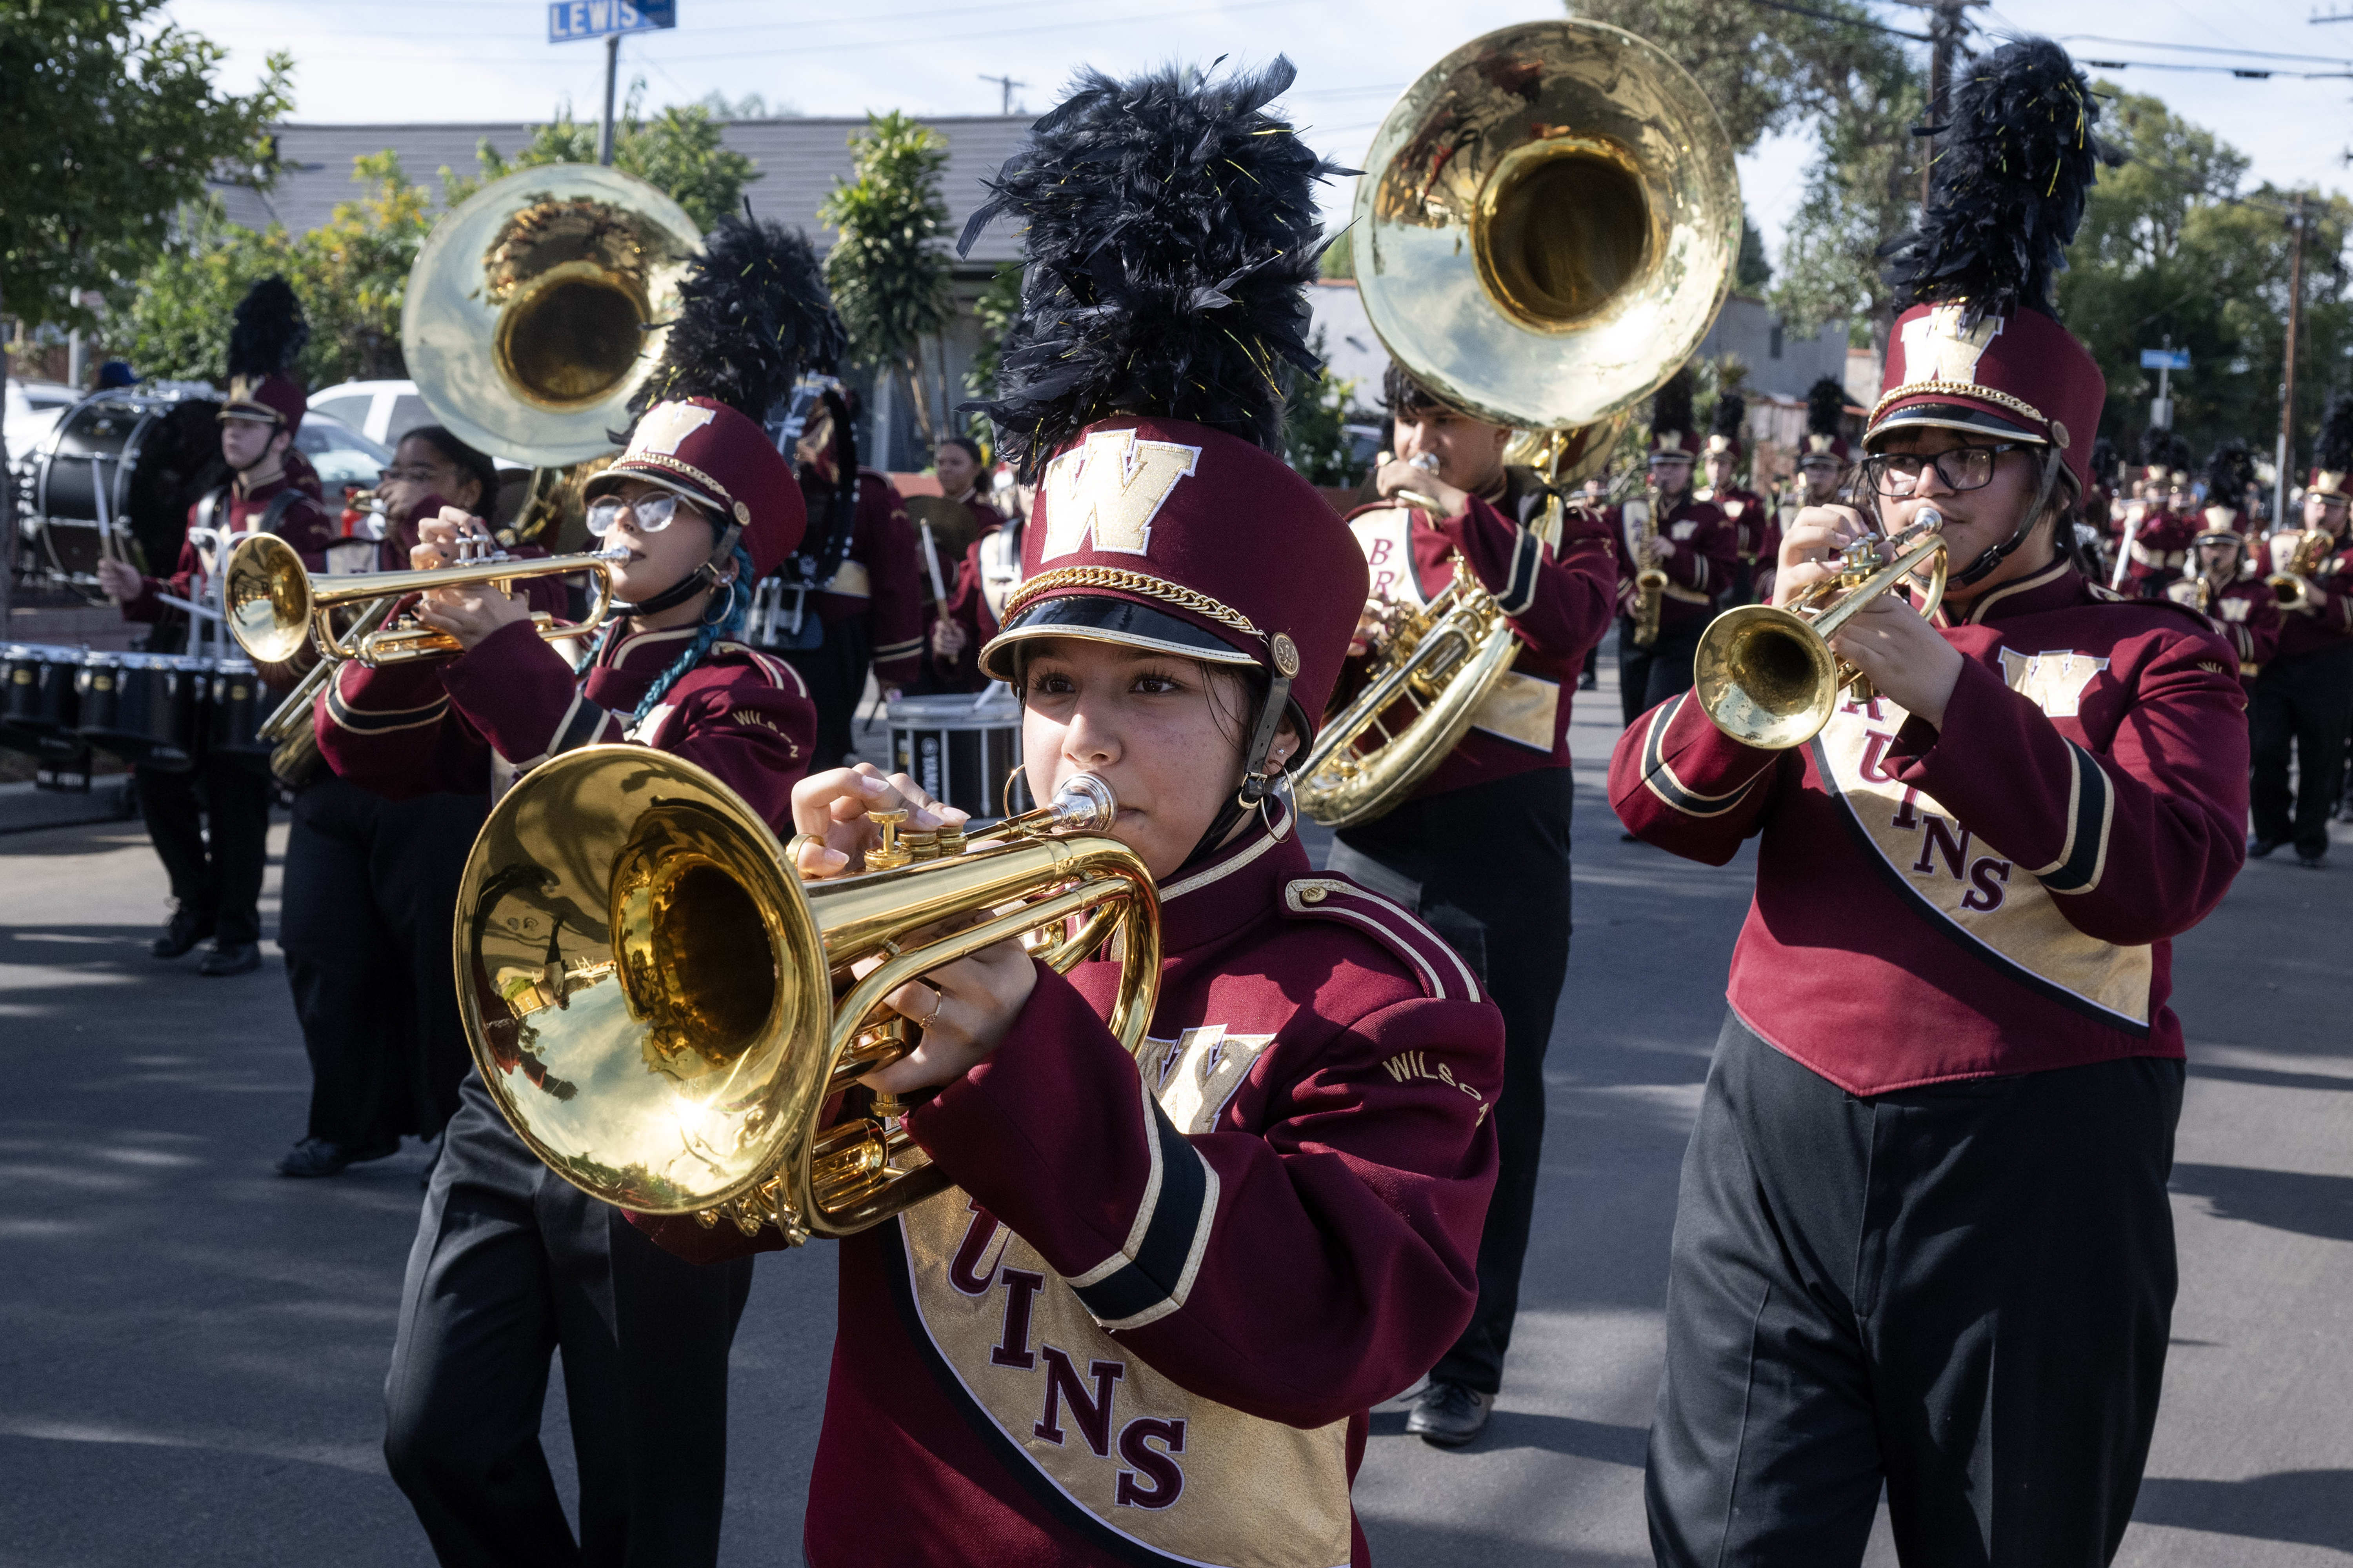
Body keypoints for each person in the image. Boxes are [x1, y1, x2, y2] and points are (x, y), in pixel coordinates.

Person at [636, 59, 1506, 1567]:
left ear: (1274, 725)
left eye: (1155, 691)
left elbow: (1328, 1323)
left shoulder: (1380, 993)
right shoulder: (961, 912)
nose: (1084, 738)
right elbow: (697, 1219)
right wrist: (758, 984)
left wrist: (1018, 1059)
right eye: (1048, 686)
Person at [1616, 41, 2248, 1566]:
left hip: (2036, 1164)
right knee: (1730, 1538)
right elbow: (1658, 809)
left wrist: (1951, 694)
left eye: (1976, 459)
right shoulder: (1818, 625)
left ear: (2057, 482)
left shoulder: (2160, 655)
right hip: (1775, 1141)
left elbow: (2158, 875)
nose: (1929, 490)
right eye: (1907, 456)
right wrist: (1759, 657)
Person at [317, 216, 835, 1567]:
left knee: (645, 1491)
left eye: (656, 505)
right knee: (431, 1428)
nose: (616, 523)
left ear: (727, 549)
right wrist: (421, 620)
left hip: (668, 1116)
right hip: (519, 1080)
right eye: (611, 496)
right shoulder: (549, 641)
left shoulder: (756, 695)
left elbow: (629, 809)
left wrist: (503, 656)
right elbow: (361, 756)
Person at [1326, 355, 1616, 1445]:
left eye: (1448, 415)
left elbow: (1572, 625)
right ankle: (1361, 1329)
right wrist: (1338, 671)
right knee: (1357, 1094)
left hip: (1505, 851)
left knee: (1496, 1107)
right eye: (1412, 413)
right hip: (1376, 843)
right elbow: (1301, 702)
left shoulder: (1565, 526)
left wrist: (1460, 514)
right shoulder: (1361, 536)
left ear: (1501, 427)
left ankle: (1470, 1357)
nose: (1424, 435)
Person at [272, 426, 535, 1179]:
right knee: (319, 947)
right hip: (334, 780)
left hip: (435, 785)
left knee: (437, 962)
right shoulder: (353, 556)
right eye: (393, 471)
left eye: (420, 472)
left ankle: (462, 1130)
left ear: (469, 488)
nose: (395, 485)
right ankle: (348, 1121)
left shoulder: (502, 561)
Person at [97, 276, 333, 978]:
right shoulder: (206, 506)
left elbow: (310, 599)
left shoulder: (299, 508)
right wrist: (140, 590)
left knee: (236, 796)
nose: (231, 434)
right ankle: (193, 902)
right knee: (158, 780)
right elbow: (180, 588)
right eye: (229, 425)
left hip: (255, 674)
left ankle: (234, 929)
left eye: (248, 426)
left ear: (281, 436)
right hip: (194, 665)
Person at [775, 386, 923, 765]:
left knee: (822, 749)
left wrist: (895, 663)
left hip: (834, 638)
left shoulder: (869, 492)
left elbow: (896, 582)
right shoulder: (766, 484)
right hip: (761, 629)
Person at [2249, 394, 2353, 867]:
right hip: (2278, 661)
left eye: (2334, 506)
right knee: (2265, 747)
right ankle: (2270, 829)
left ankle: (2311, 839)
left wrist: (2317, 598)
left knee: (2321, 757)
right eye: (2316, 502)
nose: (2322, 513)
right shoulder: (2278, 544)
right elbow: (2257, 593)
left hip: (2330, 664)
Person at [1610, 369, 1736, 729]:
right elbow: (1610, 561)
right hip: (1636, 631)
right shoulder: (1629, 511)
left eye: (1675, 466)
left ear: (1690, 470)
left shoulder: (1709, 517)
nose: (1666, 474)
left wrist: (1675, 554)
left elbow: (1723, 576)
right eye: (1660, 465)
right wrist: (1626, 594)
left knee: (1659, 723)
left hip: (1685, 635)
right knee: (1632, 724)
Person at [2163, 448, 2280, 708]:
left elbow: (2266, 648)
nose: (2217, 552)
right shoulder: (2173, 593)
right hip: (2188, 693)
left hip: (2245, 695)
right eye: (2210, 546)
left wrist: (2222, 629)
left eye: (2227, 547)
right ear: (2198, 548)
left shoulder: (2260, 593)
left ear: (2239, 550)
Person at [916, 435, 1009, 692]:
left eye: (955, 463)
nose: (945, 468)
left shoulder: (989, 519)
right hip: (923, 624)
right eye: (941, 462)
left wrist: (941, 566)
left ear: (976, 469)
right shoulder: (922, 513)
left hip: (968, 631)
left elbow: (988, 579)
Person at [1697, 389, 1772, 607]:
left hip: (1737, 576)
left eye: (1723, 463)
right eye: (1712, 463)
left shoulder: (1749, 501)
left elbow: (1759, 541)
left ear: (1733, 467)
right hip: (1704, 574)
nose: (1717, 469)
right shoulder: (1697, 498)